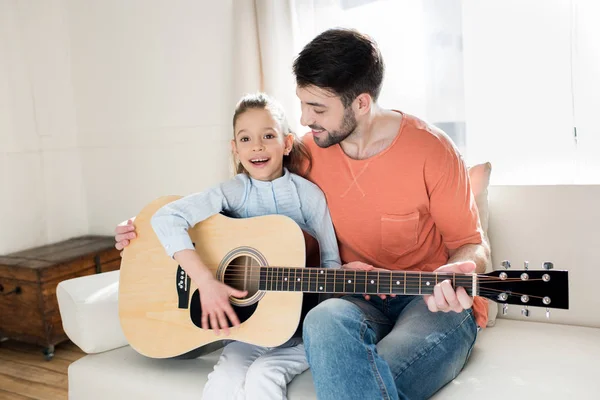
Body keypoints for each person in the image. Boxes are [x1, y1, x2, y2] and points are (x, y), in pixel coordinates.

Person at [289, 28, 491, 400]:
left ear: (361, 104)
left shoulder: (433, 151)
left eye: (318, 109)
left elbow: (471, 245)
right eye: (302, 104)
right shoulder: (305, 154)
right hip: (353, 300)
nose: (304, 119)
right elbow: (242, 205)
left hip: (429, 300)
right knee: (321, 319)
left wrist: (461, 269)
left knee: (364, 383)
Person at [118, 92, 341, 400]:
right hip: (245, 328)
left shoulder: (309, 196)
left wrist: (328, 300)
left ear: (286, 143)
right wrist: (206, 282)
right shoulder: (233, 192)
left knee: (265, 375)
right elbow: (167, 217)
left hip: (299, 332)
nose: (257, 146)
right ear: (234, 149)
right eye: (245, 139)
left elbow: (331, 263)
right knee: (223, 381)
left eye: (268, 135)